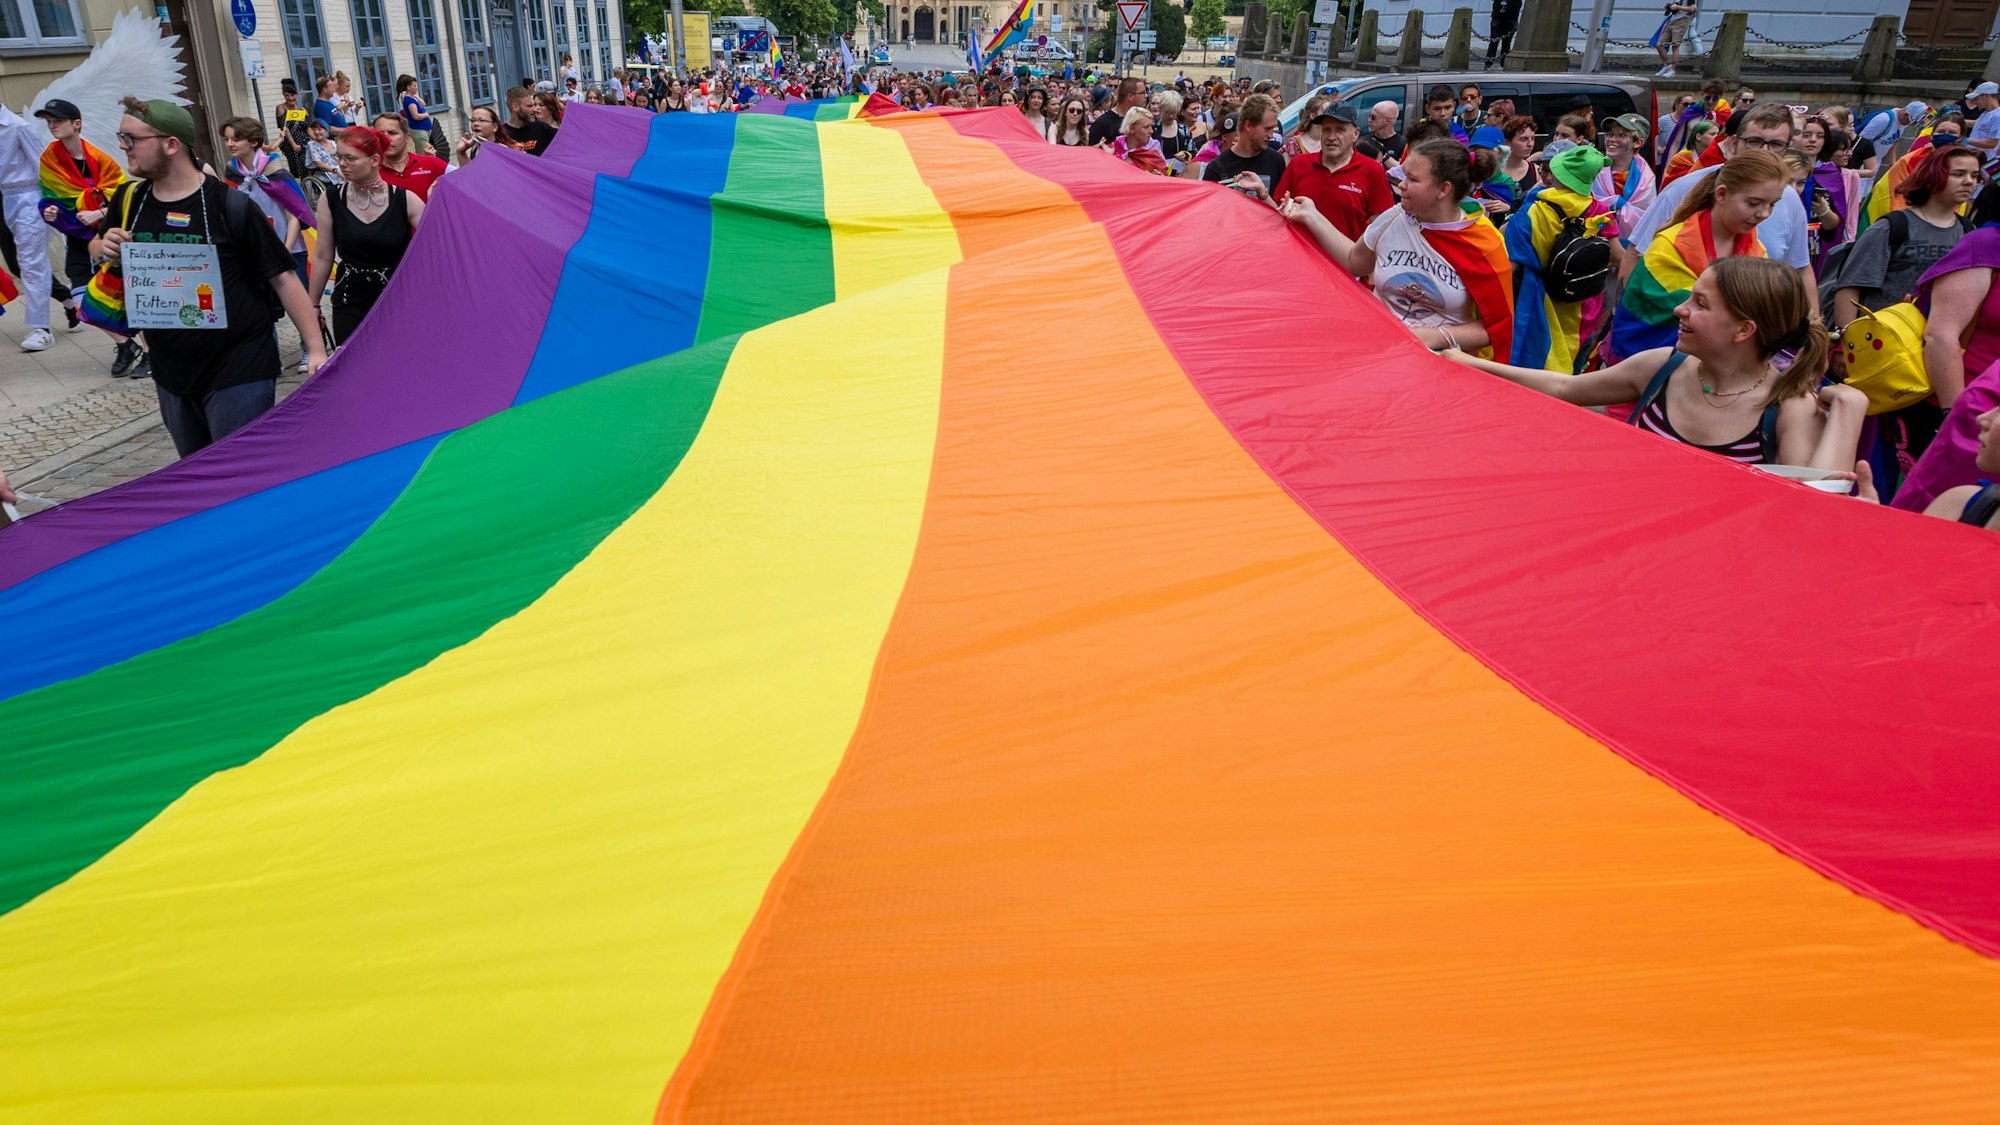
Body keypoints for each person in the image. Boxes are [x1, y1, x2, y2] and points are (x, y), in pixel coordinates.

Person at [1450, 257, 1861, 468]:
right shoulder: (1662, 367)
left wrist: (1849, 413)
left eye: (1700, 304)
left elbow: (1816, 506)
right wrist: (1465, 364)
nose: (1680, 310)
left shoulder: (1788, 406)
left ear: (1743, 330)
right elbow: (1563, 388)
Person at [89, 98, 326, 456]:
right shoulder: (129, 199)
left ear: (170, 144)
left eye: (131, 138)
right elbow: (95, 248)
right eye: (122, 137)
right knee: (196, 477)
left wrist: (316, 349)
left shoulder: (229, 205)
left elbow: (283, 278)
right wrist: (103, 245)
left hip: (239, 368)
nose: (123, 146)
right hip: (171, 373)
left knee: (238, 479)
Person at [1282, 138, 1515, 359]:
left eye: (1412, 180)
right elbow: (1355, 260)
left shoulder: (1485, 243)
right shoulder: (1395, 217)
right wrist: (1312, 216)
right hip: (1381, 352)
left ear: (1443, 190)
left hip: (1443, 368)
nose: (1400, 185)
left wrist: (1432, 337)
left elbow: (1494, 328)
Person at [1607, 150, 1790, 366]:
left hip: (1716, 372)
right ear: (1721, 194)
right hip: (1648, 369)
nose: (1764, 213)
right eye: (1753, 203)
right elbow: (1703, 315)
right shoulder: (1669, 246)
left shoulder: (1757, 250)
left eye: (1772, 204)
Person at [1635, 103, 1813, 311]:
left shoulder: (1790, 199)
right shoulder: (1684, 188)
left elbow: (1800, 268)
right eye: (1754, 141)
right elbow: (1637, 257)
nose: (1765, 152)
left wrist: (1813, 324)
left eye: (1776, 144)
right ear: (1734, 142)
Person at [306, 124, 424, 346]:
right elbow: (322, 255)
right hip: (350, 302)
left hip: (398, 300)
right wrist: (312, 305)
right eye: (339, 157)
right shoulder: (330, 199)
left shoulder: (405, 200)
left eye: (350, 158)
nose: (341, 164)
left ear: (375, 160)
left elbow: (437, 244)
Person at [1507, 143, 1614, 372]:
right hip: (1584, 303)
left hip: (1537, 301)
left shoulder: (1533, 211)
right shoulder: (1600, 211)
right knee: (1573, 367)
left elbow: (1510, 266)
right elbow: (1616, 256)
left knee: (1535, 368)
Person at [34, 98, 119, 337]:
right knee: (82, 301)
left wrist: (98, 212)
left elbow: (121, 197)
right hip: (78, 238)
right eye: (49, 122)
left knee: (118, 298)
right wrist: (49, 211)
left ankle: (140, 350)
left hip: (109, 237)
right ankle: (126, 346)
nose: (52, 126)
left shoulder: (100, 159)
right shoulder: (50, 159)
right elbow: (51, 198)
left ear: (77, 123)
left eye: (58, 121)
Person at [218, 116, 315, 292]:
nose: (229, 144)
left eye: (235, 139)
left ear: (254, 141)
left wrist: (285, 251)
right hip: (255, 253)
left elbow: (293, 217)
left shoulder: (276, 171)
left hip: (290, 249)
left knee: (304, 306)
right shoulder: (232, 174)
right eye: (226, 139)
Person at [1273, 103, 1393, 241]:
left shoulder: (1372, 170)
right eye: (1326, 129)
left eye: (1340, 130)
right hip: (1300, 259)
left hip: (1342, 261)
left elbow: (1382, 229)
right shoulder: (1299, 164)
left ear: (1355, 134)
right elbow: (1278, 212)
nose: (1331, 137)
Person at [1199, 93, 1285, 202]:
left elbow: (1281, 211)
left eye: (1273, 129)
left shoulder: (1276, 161)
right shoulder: (1217, 167)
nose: (1271, 135)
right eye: (1267, 129)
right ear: (1248, 125)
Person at [1593, 112, 1656, 243]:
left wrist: (1614, 204)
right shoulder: (1593, 169)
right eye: (1610, 134)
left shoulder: (1646, 179)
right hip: (1595, 240)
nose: (1612, 140)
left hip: (1631, 245)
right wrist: (1614, 203)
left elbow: (1646, 217)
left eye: (1621, 135)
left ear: (1638, 142)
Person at [368, 113, 447, 201]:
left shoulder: (432, 163)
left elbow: (461, 182)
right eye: (380, 135)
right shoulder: (369, 173)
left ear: (407, 138)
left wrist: (461, 156)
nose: (386, 138)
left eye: (392, 133)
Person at [396, 74, 446, 160]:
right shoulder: (409, 100)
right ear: (408, 87)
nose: (416, 87)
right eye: (414, 86)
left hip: (424, 130)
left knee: (427, 153)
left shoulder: (413, 98)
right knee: (423, 154)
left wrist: (417, 97)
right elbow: (416, 116)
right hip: (419, 131)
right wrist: (426, 115)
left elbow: (423, 104)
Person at [273, 78, 312, 180]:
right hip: (291, 143)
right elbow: (284, 128)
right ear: (284, 95)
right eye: (287, 95)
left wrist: (317, 140)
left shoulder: (302, 109)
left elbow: (308, 128)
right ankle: (303, 193)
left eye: (292, 95)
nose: (290, 98)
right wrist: (293, 144)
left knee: (309, 170)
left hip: (304, 142)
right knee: (298, 171)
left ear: (297, 95)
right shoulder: (281, 108)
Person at [1090, 77, 1145, 147]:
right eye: (1142, 93)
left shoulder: (1142, 120)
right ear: (1130, 96)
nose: (1145, 96)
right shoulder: (1102, 124)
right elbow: (1091, 154)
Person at [1114, 108, 1168, 174]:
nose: (1151, 131)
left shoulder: (1154, 150)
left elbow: (1165, 179)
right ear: (1132, 129)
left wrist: (1158, 178)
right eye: (1146, 127)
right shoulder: (1115, 148)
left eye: (1151, 126)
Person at [1654, 0, 1697, 78]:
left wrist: (1677, 7)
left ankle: (1672, 71)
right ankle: (1667, 65)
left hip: (1682, 20)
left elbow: (1692, 8)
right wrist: (1669, 7)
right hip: (1672, 20)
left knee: (1675, 46)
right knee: (1659, 44)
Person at [1365, 100, 1405, 164]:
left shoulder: (1403, 144)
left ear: (1387, 120)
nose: (1369, 120)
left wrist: (1384, 155)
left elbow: (1404, 172)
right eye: (1369, 116)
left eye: (1373, 117)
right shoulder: (1365, 142)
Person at [1500, 114, 1535, 187]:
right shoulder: (1491, 171)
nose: (1530, 144)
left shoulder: (1535, 171)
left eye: (1532, 138)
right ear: (1507, 142)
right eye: (1524, 139)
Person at [1485, 0, 1519, 69]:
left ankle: (1502, 63)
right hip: (1500, 15)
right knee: (1494, 41)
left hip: (1510, 16)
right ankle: (1489, 62)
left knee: (1506, 43)